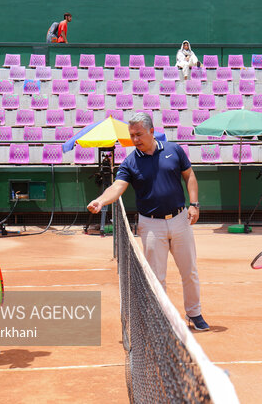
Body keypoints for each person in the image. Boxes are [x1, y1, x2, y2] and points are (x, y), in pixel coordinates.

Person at [87, 112, 209, 331]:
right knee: (156, 276)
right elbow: (117, 187)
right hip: (151, 225)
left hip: (180, 220)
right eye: (132, 135)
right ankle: (161, 318)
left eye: (139, 134)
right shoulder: (130, 161)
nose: (135, 140)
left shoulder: (174, 150)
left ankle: (194, 313)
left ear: (152, 132)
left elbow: (189, 176)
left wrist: (194, 204)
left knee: (189, 270)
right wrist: (100, 201)